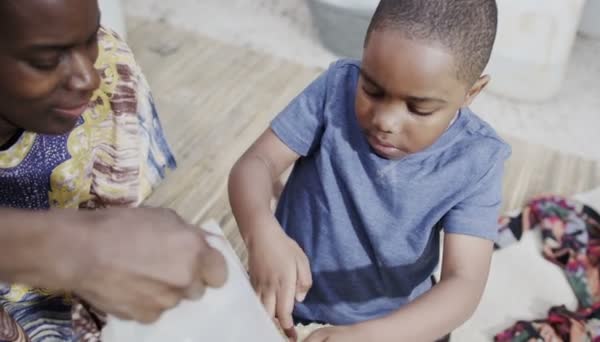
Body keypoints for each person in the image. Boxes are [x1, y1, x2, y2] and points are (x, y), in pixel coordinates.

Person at [228, 0, 510, 340]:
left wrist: (368, 336)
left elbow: (464, 283)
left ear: (472, 92)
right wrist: (261, 233)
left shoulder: (478, 159)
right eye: (371, 90)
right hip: (286, 303)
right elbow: (255, 164)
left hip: (396, 327)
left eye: (418, 109)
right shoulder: (336, 88)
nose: (385, 122)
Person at [0, 0, 226, 341]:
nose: (88, 78)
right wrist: (74, 247)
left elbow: (117, 226)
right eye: (45, 61)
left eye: (91, 36)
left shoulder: (109, 72)